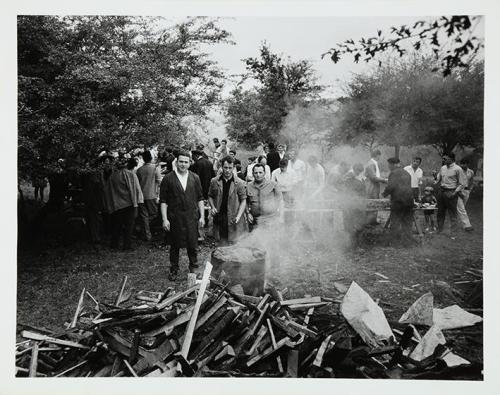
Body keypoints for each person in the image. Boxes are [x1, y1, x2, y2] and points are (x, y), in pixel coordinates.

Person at [160, 150, 205, 280]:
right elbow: (163, 201)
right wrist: (165, 219)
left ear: (190, 163)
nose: (183, 164)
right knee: (174, 246)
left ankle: (194, 268)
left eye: (186, 162)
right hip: (175, 218)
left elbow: (200, 198)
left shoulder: (195, 178)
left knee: (193, 244)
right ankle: (174, 269)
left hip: (191, 217)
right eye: (181, 162)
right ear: (176, 162)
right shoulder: (168, 178)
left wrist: (202, 216)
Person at [104, 157, 144, 250]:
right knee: (129, 226)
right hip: (128, 204)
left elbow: (108, 191)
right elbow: (136, 190)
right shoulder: (130, 175)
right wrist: (137, 204)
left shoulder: (113, 176)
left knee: (116, 225)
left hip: (117, 204)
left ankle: (114, 245)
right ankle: (127, 246)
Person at [208, 156, 247, 245]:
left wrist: (238, 216)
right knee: (221, 242)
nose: (228, 170)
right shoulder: (214, 181)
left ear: (233, 168)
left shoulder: (239, 183)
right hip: (219, 217)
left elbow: (243, 200)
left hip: (233, 217)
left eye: (230, 168)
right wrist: (213, 207)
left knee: (234, 243)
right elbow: (210, 196)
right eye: (225, 168)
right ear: (221, 167)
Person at [382, 157, 416, 246]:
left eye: (389, 165)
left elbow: (391, 187)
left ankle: (395, 243)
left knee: (395, 222)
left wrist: (384, 194)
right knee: (407, 223)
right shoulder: (407, 173)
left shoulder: (393, 173)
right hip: (409, 201)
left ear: (393, 164)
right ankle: (408, 243)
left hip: (398, 202)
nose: (388, 167)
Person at [434, 153, 467, 236]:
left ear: (451, 159)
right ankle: (440, 230)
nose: (443, 160)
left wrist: (455, 192)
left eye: (445, 159)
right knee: (440, 212)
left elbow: (462, 183)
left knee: (452, 213)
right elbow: (437, 180)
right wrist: (435, 176)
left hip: (451, 192)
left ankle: (453, 233)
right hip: (441, 192)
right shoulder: (443, 168)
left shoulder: (458, 169)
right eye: (443, 159)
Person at [246, 163, 283, 230]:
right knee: (254, 239)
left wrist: (280, 216)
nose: (258, 175)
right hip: (255, 220)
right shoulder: (248, 186)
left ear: (264, 173)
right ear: (252, 174)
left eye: (260, 172)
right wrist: (248, 213)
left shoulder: (273, 184)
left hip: (270, 219)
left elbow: (280, 200)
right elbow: (245, 201)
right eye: (256, 173)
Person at [136, 150, 162, 241]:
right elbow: (159, 182)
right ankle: (144, 228)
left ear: (143, 159)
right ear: (151, 158)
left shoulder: (139, 170)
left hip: (141, 196)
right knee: (154, 214)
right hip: (152, 195)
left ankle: (147, 234)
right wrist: (159, 194)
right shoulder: (155, 168)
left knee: (144, 216)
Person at [342, 163, 366, 248]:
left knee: (350, 225)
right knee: (354, 225)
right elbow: (363, 196)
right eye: (358, 171)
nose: (358, 173)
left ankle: (350, 245)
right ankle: (354, 245)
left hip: (350, 205)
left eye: (359, 171)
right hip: (352, 206)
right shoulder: (358, 182)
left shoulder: (349, 181)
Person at [190, 150, 216, 227]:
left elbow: (195, 178)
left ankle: (200, 220)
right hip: (208, 188)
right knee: (206, 205)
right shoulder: (209, 163)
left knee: (198, 204)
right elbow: (213, 176)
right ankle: (206, 221)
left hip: (199, 188)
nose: (192, 158)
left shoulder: (197, 164)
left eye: (193, 157)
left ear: (196, 156)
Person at [364, 149, 387, 224]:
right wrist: (384, 180)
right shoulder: (371, 164)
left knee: (374, 202)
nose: (380, 157)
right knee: (372, 203)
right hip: (371, 187)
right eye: (379, 156)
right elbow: (373, 177)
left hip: (374, 186)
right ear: (377, 155)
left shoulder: (374, 163)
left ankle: (373, 220)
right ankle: (370, 221)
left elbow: (376, 176)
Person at [457, 159, 474, 232]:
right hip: (459, 190)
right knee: (461, 208)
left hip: (466, 191)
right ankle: (467, 225)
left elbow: (471, 181)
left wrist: (470, 189)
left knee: (462, 207)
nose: (462, 165)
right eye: (461, 164)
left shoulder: (471, 171)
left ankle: (457, 223)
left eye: (464, 164)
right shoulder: (458, 171)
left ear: (467, 164)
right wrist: (458, 192)